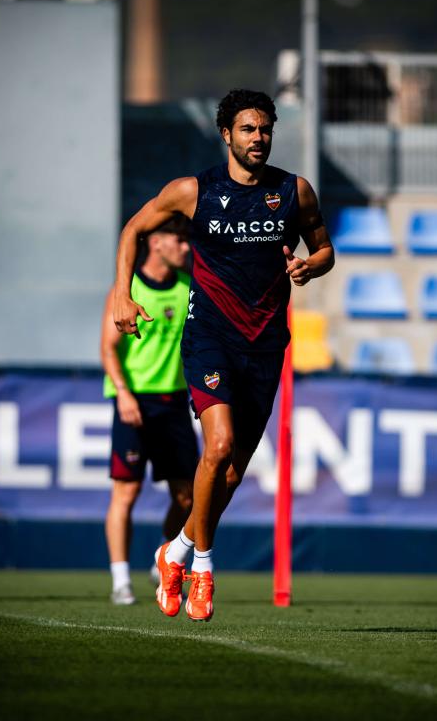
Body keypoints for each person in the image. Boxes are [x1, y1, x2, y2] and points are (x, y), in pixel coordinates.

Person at [113, 88, 334, 621]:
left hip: (266, 346)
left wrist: (312, 266)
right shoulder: (194, 191)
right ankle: (205, 568)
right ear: (227, 135)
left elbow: (324, 249)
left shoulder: (294, 191)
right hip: (210, 336)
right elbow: (134, 228)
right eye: (248, 130)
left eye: (265, 129)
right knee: (219, 446)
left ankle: (178, 550)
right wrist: (124, 292)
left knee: (231, 473)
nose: (258, 138)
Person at [101, 217, 198, 605]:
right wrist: (123, 393)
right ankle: (120, 580)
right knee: (126, 492)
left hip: (174, 402)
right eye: (179, 240)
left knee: (188, 496)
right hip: (134, 401)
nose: (186, 248)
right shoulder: (127, 290)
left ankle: (164, 554)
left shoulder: (188, 288)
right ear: (156, 242)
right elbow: (108, 348)